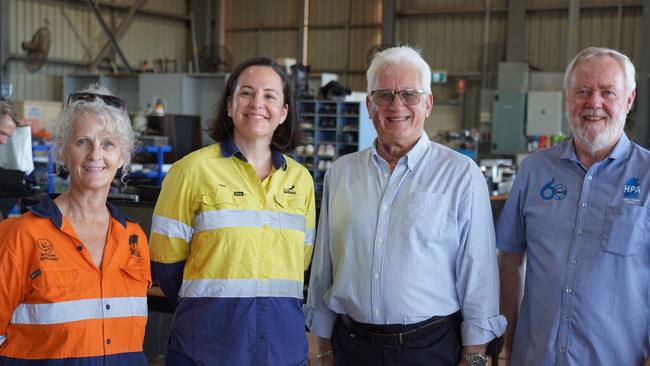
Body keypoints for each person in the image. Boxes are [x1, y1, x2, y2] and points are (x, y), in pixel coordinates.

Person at [305, 45, 505, 366]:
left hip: (431, 349)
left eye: (409, 94)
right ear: (369, 105)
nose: (396, 105)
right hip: (351, 348)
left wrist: (475, 354)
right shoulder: (340, 172)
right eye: (384, 95)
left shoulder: (460, 174)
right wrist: (322, 346)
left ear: (428, 103)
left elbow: (478, 271)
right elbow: (324, 267)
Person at [150, 57, 315, 366]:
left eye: (269, 95)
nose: (257, 103)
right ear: (229, 105)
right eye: (246, 93)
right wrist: (210, 308)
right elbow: (166, 264)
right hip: (208, 349)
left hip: (282, 349)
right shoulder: (190, 171)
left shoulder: (300, 181)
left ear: (283, 112)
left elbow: (300, 262)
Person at [497, 46, 649, 365]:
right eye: (583, 91)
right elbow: (510, 259)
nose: (594, 103)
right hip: (534, 357)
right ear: (567, 98)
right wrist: (505, 344)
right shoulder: (534, 171)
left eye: (607, 92)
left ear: (629, 100)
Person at [0, 84, 151, 365]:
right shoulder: (21, 236)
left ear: (122, 157)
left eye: (108, 143)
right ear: (63, 152)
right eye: (83, 141)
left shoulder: (134, 238)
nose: (95, 154)